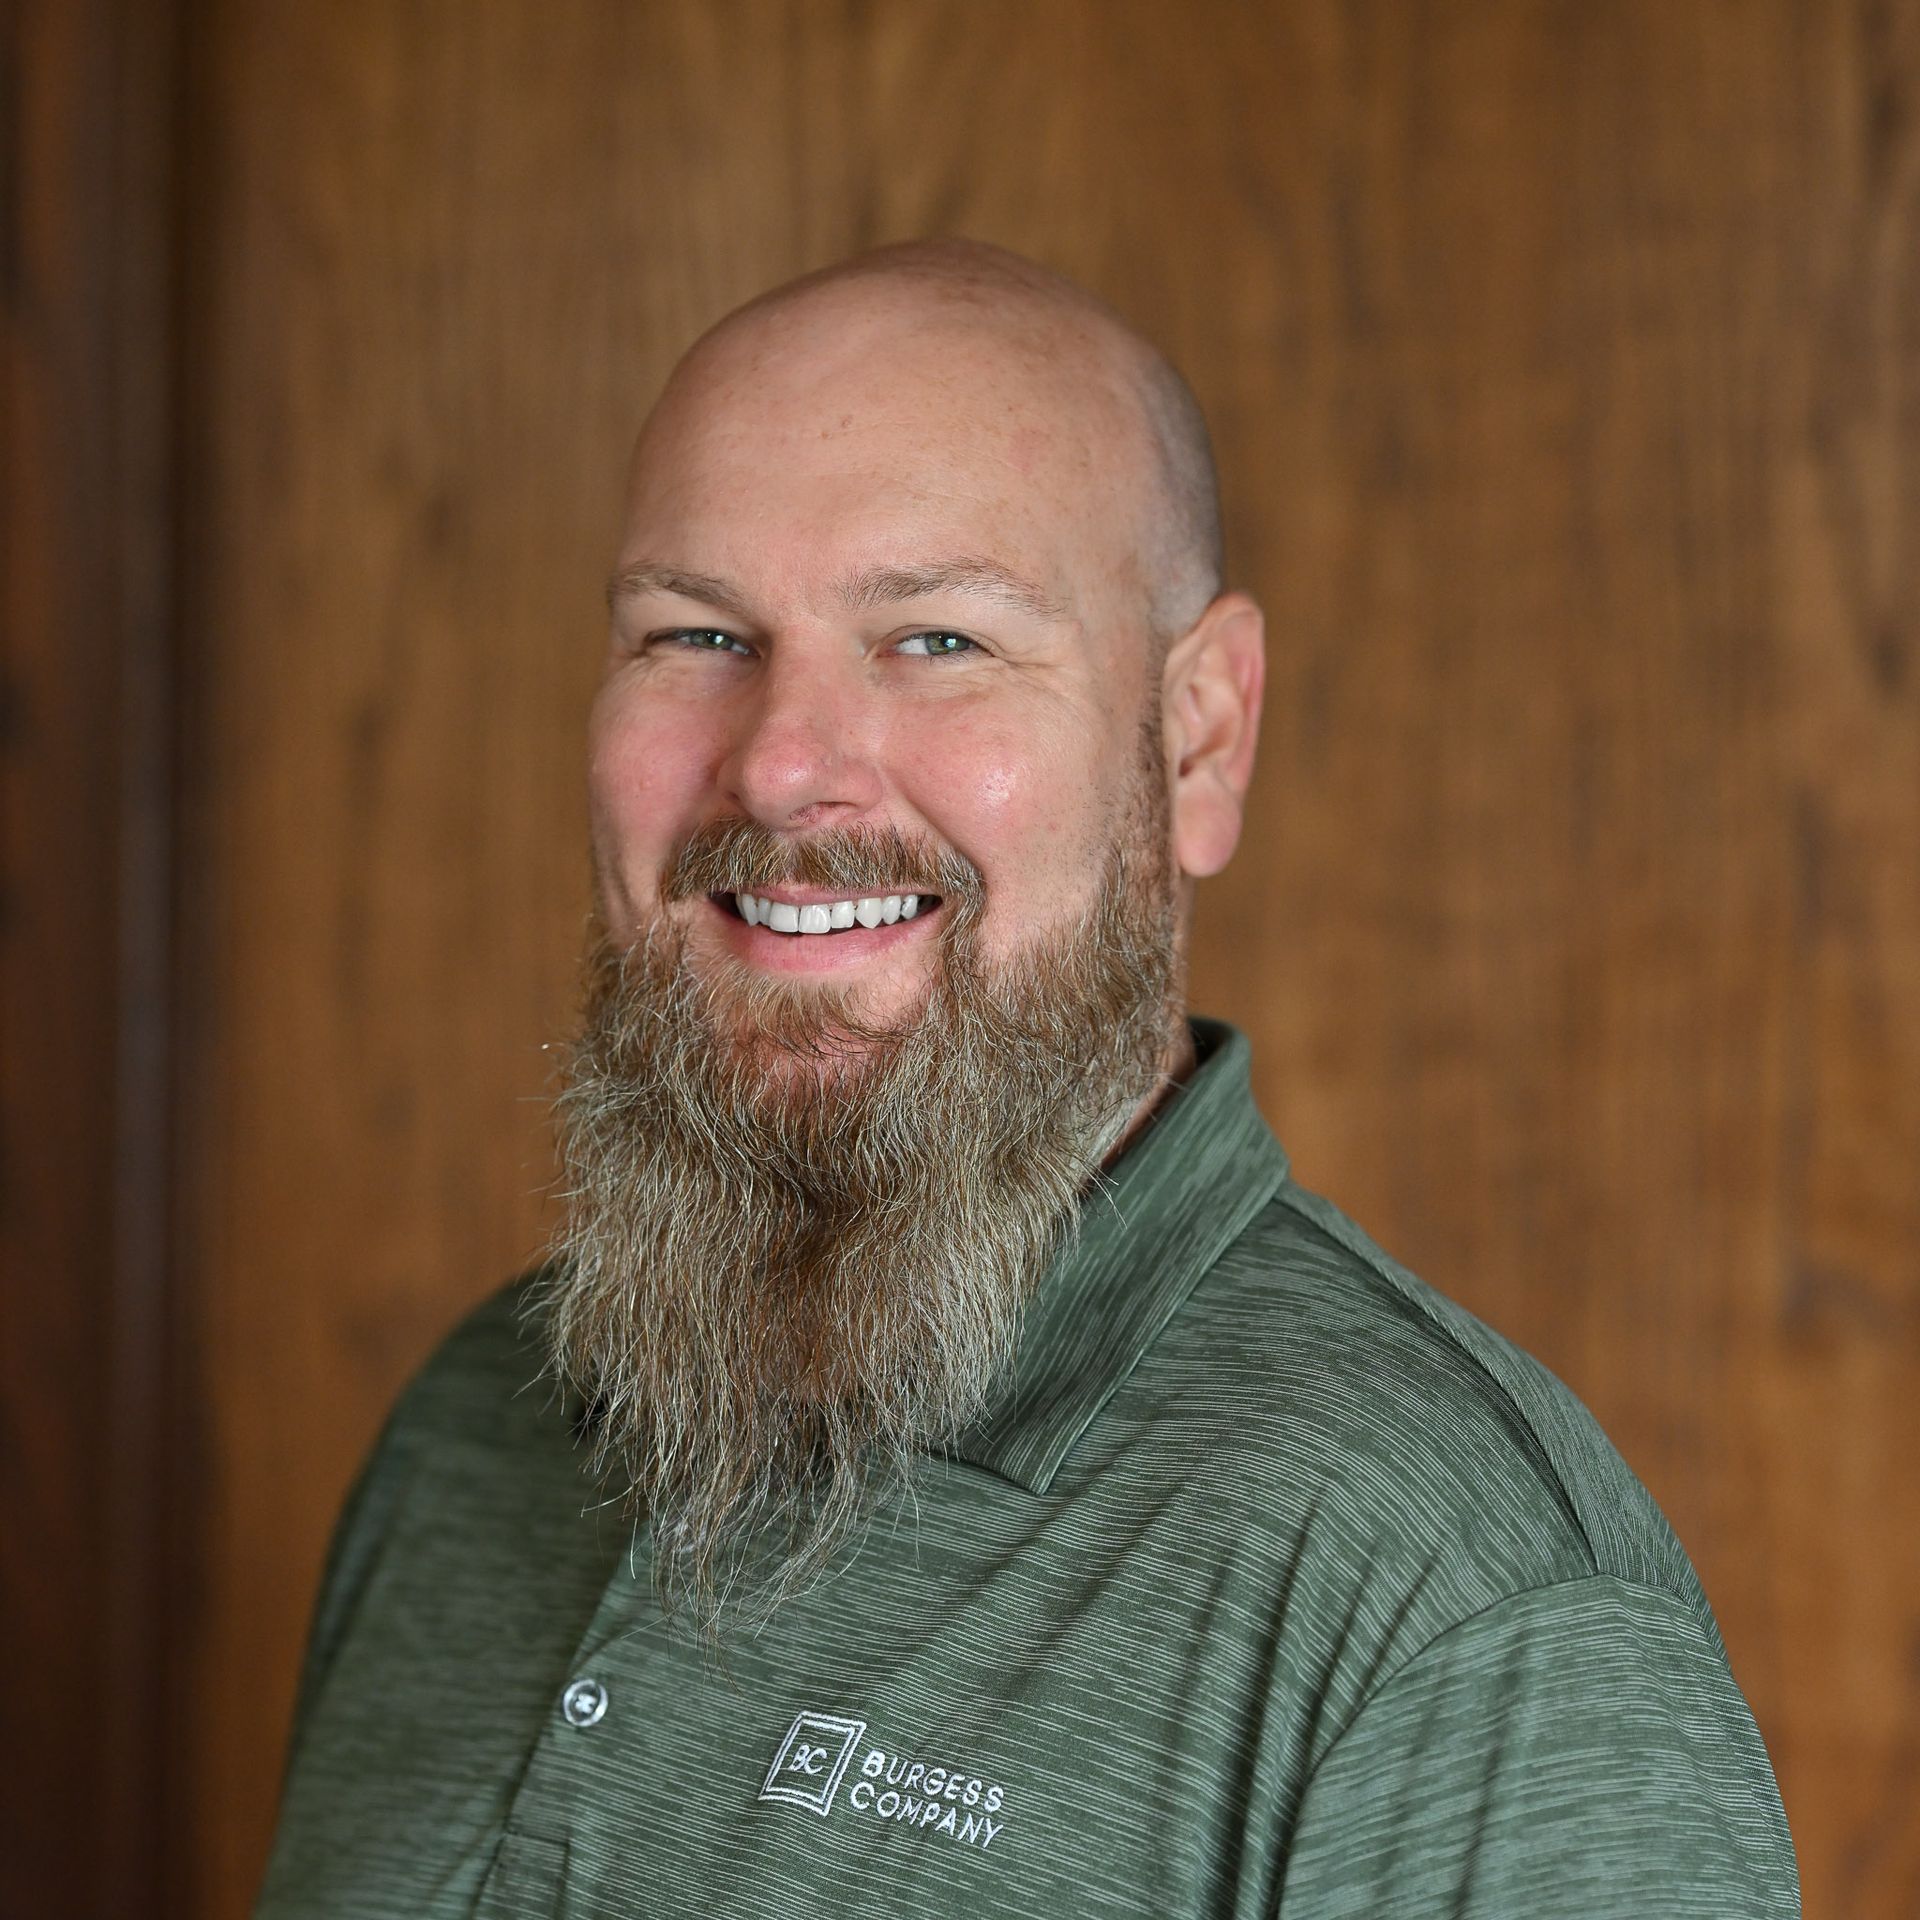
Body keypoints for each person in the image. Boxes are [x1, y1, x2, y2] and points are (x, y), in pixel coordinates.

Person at [255, 240, 1798, 1918]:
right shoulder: (479, 1429)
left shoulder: (1464, 1618)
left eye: (936, 639)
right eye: (695, 632)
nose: (778, 761)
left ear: (1199, 736)